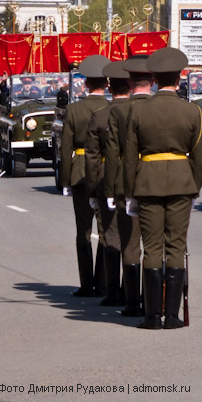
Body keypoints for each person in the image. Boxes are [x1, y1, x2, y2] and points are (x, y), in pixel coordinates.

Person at [122, 47, 202, 330]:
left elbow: (130, 157)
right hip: (182, 182)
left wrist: (130, 191)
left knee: (152, 247)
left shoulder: (139, 111)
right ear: (179, 79)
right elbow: (198, 158)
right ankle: (172, 315)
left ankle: (152, 316)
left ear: (155, 79)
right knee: (176, 247)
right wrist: (194, 189)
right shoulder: (192, 111)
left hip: (147, 183)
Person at [59, 54, 110, 298]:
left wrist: (65, 180)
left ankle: (87, 284)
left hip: (80, 170)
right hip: (105, 169)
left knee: (83, 230)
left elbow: (65, 148)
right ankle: (104, 282)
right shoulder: (111, 109)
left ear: (86, 83)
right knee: (105, 229)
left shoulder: (74, 109)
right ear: (107, 83)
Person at [84, 60, 132, 308]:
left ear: (110, 88)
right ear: (130, 86)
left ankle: (113, 292)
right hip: (137, 178)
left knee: (111, 236)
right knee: (134, 239)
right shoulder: (139, 111)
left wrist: (93, 189)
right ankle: (132, 292)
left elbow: (92, 157)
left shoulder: (101, 115)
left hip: (107, 178)